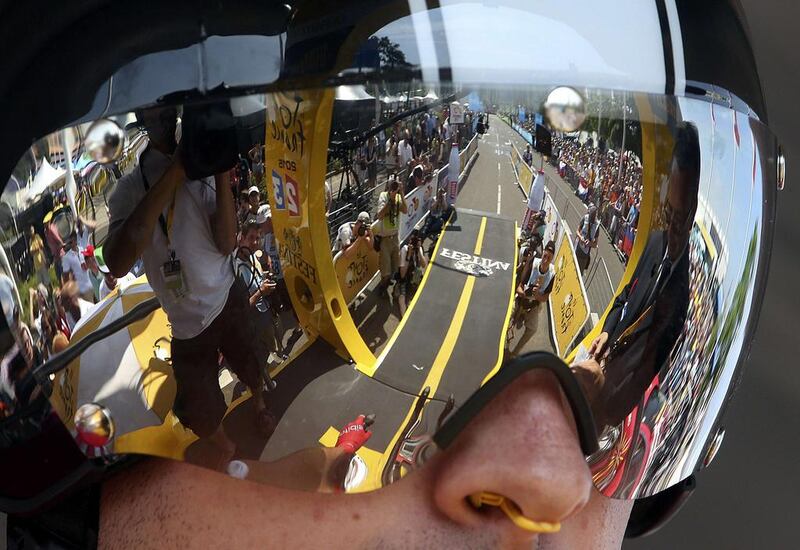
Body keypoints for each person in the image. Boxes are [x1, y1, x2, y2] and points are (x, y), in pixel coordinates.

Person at [103, 105, 275, 468]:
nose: (162, 114)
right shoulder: (129, 188)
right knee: (198, 410)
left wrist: (221, 171)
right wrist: (177, 169)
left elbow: (226, 243)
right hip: (185, 323)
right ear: (140, 115)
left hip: (226, 295)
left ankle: (259, 404)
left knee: (253, 362)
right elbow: (117, 262)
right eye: (153, 109)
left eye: (167, 104)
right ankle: (226, 446)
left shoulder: (204, 158)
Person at [572, 123, 700, 428]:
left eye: (680, 219)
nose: (671, 229)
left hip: (610, 414)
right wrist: (606, 331)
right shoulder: (655, 241)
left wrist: (603, 398)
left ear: (693, 211)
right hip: (598, 368)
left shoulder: (685, 292)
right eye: (668, 213)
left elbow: (647, 372)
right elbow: (626, 295)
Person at [508, 241, 556, 358]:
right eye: (545, 256)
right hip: (522, 299)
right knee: (507, 318)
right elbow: (520, 285)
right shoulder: (533, 263)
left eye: (549, 258)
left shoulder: (552, 274)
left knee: (532, 329)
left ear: (552, 259)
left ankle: (514, 353)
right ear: (543, 253)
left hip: (534, 304)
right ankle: (505, 346)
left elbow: (545, 298)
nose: (545, 260)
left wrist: (537, 295)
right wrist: (523, 293)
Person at [376, 175, 407, 294]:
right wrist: (390, 200)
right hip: (385, 240)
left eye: (396, 185)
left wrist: (402, 192)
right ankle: (382, 289)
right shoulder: (383, 196)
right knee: (386, 272)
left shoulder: (399, 197)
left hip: (395, 238)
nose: (393, 188)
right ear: (388, 186)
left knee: (394, 269)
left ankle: (385, 283)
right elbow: (379, 215)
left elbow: (405, 210)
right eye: (392, 185)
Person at [395, 230, 428, 315]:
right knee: (401, 296)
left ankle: (414, 298)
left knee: (419, 273)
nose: (413, 243)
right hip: (403, 277)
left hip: (413, 274)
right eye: (412, 240)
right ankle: (404, 316)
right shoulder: (404, 250)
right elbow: (402, 274)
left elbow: (424, 266)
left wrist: (419, 252)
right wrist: (408, 256)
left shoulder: (419, 248)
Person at [60, 234, 95, 303]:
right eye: (68, 242)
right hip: (81, 289)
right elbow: (65, 277)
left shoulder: (82, 248)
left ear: (75, 241)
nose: (69, 244)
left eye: (71, 242)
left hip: (92, 283)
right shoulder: (66, 258)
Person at [575, 204, 600, 273]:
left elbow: (595, 244)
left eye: (594, 215)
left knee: (579, 272)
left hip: (584, 256)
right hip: (577, 249)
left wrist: (589, 243)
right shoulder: (585, 218)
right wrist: (580, 237)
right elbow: (577, 231)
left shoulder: (597, 226)